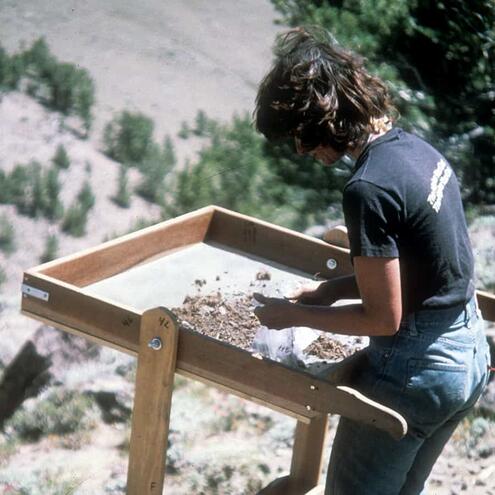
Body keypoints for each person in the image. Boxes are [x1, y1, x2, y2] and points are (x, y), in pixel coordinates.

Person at [252, 27, 491, 495]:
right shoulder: (416, 152)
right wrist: (330, 290)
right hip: (466, 356)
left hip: (414, 375)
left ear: (324, 116)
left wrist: (293, 316)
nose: (301, 150)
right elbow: (423, 268)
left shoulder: (367, 188)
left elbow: (383, 318)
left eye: (300, 135)